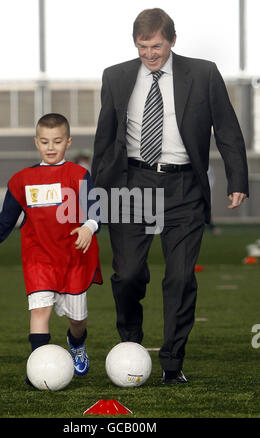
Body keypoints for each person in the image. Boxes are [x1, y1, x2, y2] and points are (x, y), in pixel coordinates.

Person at [92, 8, 248, 384]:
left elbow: (227, 129)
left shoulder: (204, 73)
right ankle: (130, 342)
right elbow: (105, 139)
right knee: (128, 275)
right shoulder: (115, 76)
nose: (149, 54)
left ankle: (172, 362)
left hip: (184, 189)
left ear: (172, 41)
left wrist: (237, 179)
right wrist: (96, 197)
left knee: (180, 279)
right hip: (131, 184)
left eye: (156, 45)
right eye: (143, 46)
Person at [0, 113, 102, 382]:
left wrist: (89, 226)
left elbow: (97, 209)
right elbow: (7, 218)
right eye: (44, 141)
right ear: (36, 143)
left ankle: (76, 344)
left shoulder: (79, 174)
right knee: (40, 311)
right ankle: (38, 366)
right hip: (38, 258)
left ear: (68, 142)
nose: (51, 147)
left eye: (57, 141)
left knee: (77, 321)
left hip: (73, 259)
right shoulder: (22, 180)